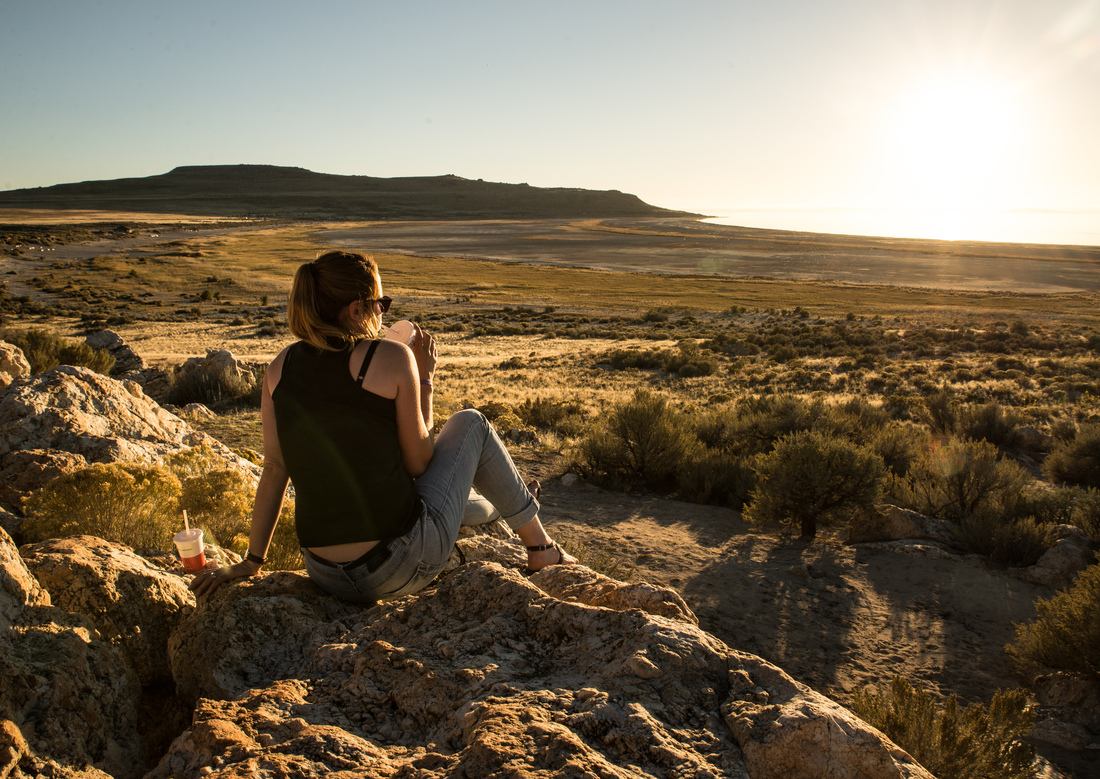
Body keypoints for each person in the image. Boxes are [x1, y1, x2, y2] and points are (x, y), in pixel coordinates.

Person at [190, 250, 573, 603]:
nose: (383, 313)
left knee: (424, 495)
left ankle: (499, 505)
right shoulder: (390, 357)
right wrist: (424, 378)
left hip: (325, 574)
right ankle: (541, 550)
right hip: (396, 568)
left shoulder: (279, 369)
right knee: (471, 423)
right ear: (356, 309)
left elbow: (274, 470)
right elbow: (420, 462)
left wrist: (251, 562)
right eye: (381, 304)